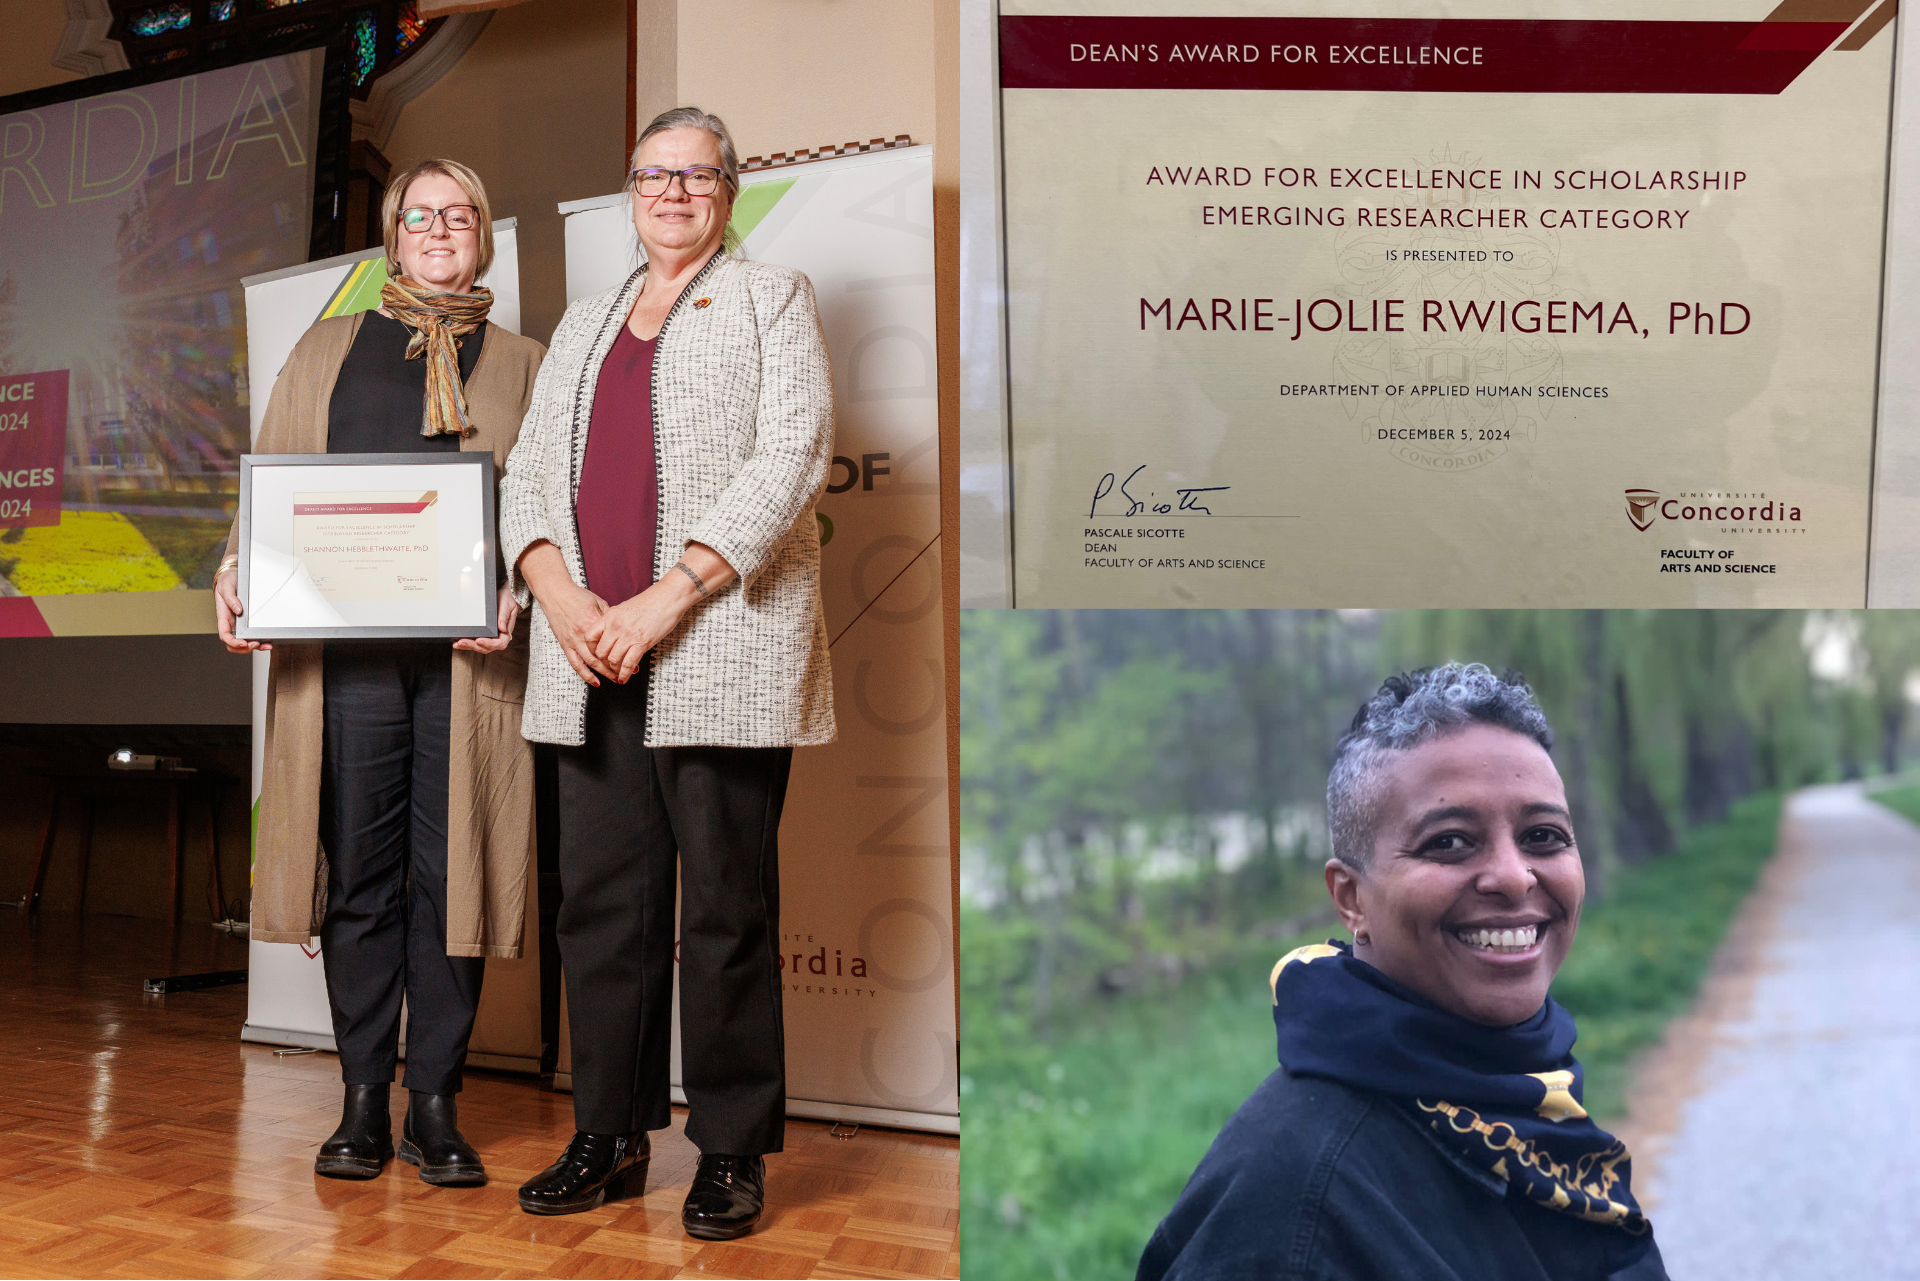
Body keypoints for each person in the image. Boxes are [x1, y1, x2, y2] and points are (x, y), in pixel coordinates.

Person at [498, 106, 834, 1238]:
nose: (674, 193)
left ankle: (730, 1149)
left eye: (697, 176)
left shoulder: (771, 297)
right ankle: (609, 1134)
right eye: (654, 175)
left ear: (729, 192)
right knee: (600, 912)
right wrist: (564, 598)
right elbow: (529, 476)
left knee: (727, 913)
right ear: (630, 190)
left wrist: (663, 598)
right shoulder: (585, 322)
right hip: (589, 654)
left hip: (714, 646)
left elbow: (791, 455)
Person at [215, 158, 544, 1186]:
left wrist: (522, 592)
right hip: (344, 658)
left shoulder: (529, 362)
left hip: (469, 666)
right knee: (358, 875)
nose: (439, 228)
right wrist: (238, 571)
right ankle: (361, 1098)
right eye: (420, 214)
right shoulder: (325, 349)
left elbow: (542, 507)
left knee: (451, 882)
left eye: (460, 213)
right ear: (393, 238)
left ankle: (434, 1105)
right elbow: (271, 476)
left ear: (483, 235)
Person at [1138, 664, 1669, 1281]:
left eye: (1543, 836)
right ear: (1351, 898)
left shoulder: (1519, 1092)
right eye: (1449, 843)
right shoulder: (1295, 1209)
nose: (1513, 876)